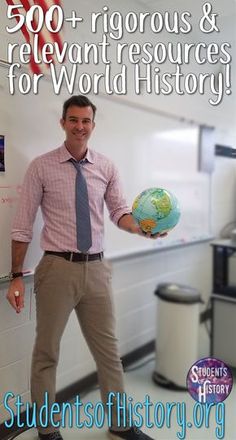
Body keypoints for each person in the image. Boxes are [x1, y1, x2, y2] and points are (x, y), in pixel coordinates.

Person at [7, 95, 164, 440]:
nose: (80, 127)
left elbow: (120, 212)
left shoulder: (106, 167)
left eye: (86, 121)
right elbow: (22, 224)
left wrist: (143, 228)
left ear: (93, 124)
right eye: (74, 120)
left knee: (109, 352)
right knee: (47, 353)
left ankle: (121, 425)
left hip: (96, 270)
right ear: (62, 122)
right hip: (56, 268)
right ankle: (47, 431)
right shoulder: (41, 166)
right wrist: (16, 276)